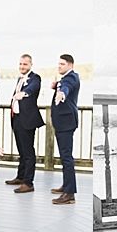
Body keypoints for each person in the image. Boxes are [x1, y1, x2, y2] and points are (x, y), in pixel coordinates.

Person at [7, 54, 45, 193]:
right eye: (21, 64)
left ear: (31, 65)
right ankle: (21, 176)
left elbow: (32, 89)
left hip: (27, 120)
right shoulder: (20, 78)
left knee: (28, 152)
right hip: (16, 118)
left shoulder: (35, 78)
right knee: (21, 150)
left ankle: (28, 183)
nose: (22, 67)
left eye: (25, 64)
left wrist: (23, 93)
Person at [50, 54, 80, 205]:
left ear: (70, 65)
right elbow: (63, 85)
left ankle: (69, 194)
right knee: (64, 157)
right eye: (58, 63)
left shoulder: (71, 78)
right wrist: (56, 86)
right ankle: (66, 185)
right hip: (62, 123)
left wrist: (61, 93)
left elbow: (67, 88)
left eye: (62, 64)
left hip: (66, 123)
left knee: (67, 158)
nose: (59, 66)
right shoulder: (65, 78)